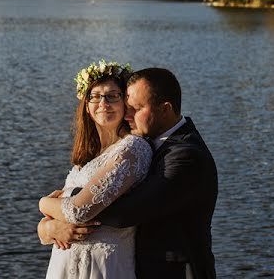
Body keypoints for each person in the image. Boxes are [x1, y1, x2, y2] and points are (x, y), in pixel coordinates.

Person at [41, 67, 218, 279]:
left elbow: (123, 213)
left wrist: (50, 202)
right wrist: (47, 227)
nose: (127, 114)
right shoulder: (150, 142)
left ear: (165, 109)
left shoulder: (185, 156)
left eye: (136, 108)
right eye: (128, 106)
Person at [39, 61, 153, 279]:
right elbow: (58, 218)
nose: (103, 103)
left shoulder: (132, 148)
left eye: (112, 96)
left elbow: (77, 212)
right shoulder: (88, 156)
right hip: (64, 264)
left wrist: (43, 202)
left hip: (104, 265)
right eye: (95, 96)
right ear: (86, 104)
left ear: (125, 102)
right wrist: (48, 229)